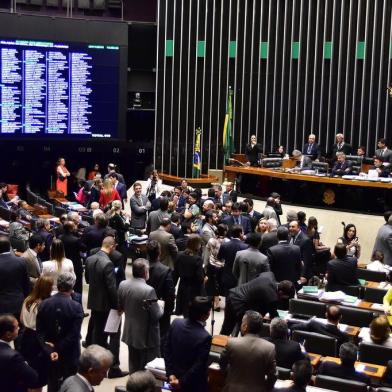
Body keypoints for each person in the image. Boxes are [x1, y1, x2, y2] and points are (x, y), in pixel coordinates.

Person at [36, 272, 84, 392]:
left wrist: (50, 349)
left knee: (52, 383)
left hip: (50, 353)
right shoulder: (76, 306)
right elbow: (74, 334)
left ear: (58, 285)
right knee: (71, 385)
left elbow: (40, 332)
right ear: (72, 286)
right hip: (70, 353)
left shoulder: (44, 304)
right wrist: (58, 347)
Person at [118, 258, 163, 374]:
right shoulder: (149, 290)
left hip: (130, 332)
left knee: (133, 365)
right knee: (148, 370)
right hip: (146, 336)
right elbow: (156, 315)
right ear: (146, 272)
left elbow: (120, 306)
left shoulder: (123, 284)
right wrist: (161, 306)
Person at [221, 272, 294, 336]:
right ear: (281, 292)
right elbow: (274, 317)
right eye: (284, 297)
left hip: (233, 293)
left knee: (226, 327)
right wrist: (283, 321)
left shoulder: (269, 275)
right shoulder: (272, 297)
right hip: (239, 303)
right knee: (248, 332)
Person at [220, 310, 277, 391]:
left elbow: (222, 363)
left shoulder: (232, 343)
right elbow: (273, 376)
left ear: (245, 326)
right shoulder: (269, 348)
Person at [165, 296, 212, 392]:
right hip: (191, 385)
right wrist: (181, 382)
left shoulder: (175, 323)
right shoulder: (205, 337)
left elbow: (167, 349)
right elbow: (198, 366)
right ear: (206, 315)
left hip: (173, 378)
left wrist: (170, 373)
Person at [19, 276, 57, 392]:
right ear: (47, 289)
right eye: (51, 286)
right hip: (38, 340)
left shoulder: (28, 300)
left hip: (26, 336)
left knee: (29, 372)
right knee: (38, 376)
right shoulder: (44, 305)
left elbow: (21, 319)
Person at [85, 237, 118, 350]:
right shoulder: (108, 263)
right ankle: (97, 352)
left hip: (93, 299)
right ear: (112, 246)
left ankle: (93, 348)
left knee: (95, 327)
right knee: (101, 331)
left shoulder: (89, 259)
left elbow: (87, 280)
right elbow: (112, 288)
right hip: (104, 302)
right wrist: (117, 305)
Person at [146, 240, 175, 352]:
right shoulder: (165, 270)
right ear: (159, 252)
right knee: (162, 336)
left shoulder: (140, 266)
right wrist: (169, 310)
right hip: (160, 308)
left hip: (144, 306)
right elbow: (170, 293)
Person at [0, 314, 38, 392]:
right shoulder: (14, 357)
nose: (19, 328)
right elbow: (33, 377)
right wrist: (24, 363)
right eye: (17, 327)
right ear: (8, 334)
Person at [174, 234, 206, 316]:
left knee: (185, 313)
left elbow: (175, 273)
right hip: (194, 290)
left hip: (182, 287)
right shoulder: (197, 259)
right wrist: (205, 279)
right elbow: (200, 278)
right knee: (194, 314)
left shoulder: (179, 255)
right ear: (197, 244)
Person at [0, 236, 29, 317]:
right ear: (10, 247)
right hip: (18, 303)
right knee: (18, 328)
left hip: (1, 306)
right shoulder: (21, 261)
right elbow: (26, 284)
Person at [217, 225, 248, 296]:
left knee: (227, 298)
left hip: (227, 275)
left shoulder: (224, 245)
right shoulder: (245, 246)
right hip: (240, 276)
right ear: (241, 233)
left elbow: (219, 258)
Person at [204, 223, 228, 309]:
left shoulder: (211, 240)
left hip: (212, 264)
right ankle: (217, 303)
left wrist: (205, 265)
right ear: (225, 232)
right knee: (219, 283)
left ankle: (214, 302)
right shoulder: (227, 242)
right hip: (222, 265)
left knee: (212, 284)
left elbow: (207, 253)